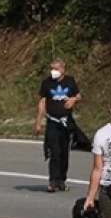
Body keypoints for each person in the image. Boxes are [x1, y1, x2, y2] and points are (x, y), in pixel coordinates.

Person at [34, 59, 81, 193]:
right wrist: (38, 121)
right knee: (54, 151)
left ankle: (62, 180)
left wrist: (73, 100)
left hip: (66, 122)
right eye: (51, 68)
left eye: (56, 68)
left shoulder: (70, 81)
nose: (53, 71)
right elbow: (42, 102)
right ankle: (52, 181)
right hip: (52, 121)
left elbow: (78, 96)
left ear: (63, 69)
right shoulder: (47, 83)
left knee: (64, 152)